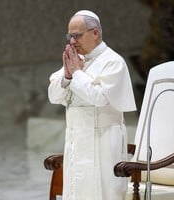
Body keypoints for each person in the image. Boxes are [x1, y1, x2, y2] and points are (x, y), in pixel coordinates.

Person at [48, 10, 136, 200]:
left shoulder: (113, 62)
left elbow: (99, 98)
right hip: (76, 140)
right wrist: (68, 75)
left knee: (103, 193)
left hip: (103, 140)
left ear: (95, 33)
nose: (72, 41)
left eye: (77, 35)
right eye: (69, 36)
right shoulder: (75, 61)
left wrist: (77, 74)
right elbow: (54, 96)